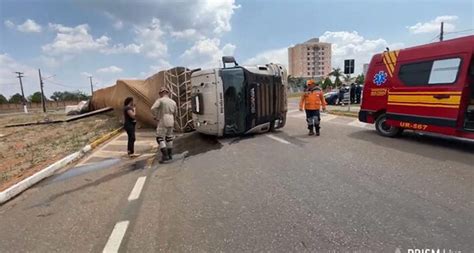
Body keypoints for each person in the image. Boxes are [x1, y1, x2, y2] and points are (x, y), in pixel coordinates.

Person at [151, 87, 177, 163]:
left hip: (163, 118)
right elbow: (176, 112)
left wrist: (156, 116)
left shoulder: (160, 100)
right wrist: (174, 120)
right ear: (167, 93)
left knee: (160, 138)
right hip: (171, 119)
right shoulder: (173, 102)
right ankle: (170, 155)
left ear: (161, 93)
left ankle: (165, 156)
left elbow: (153, 108)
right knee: (169, 137)